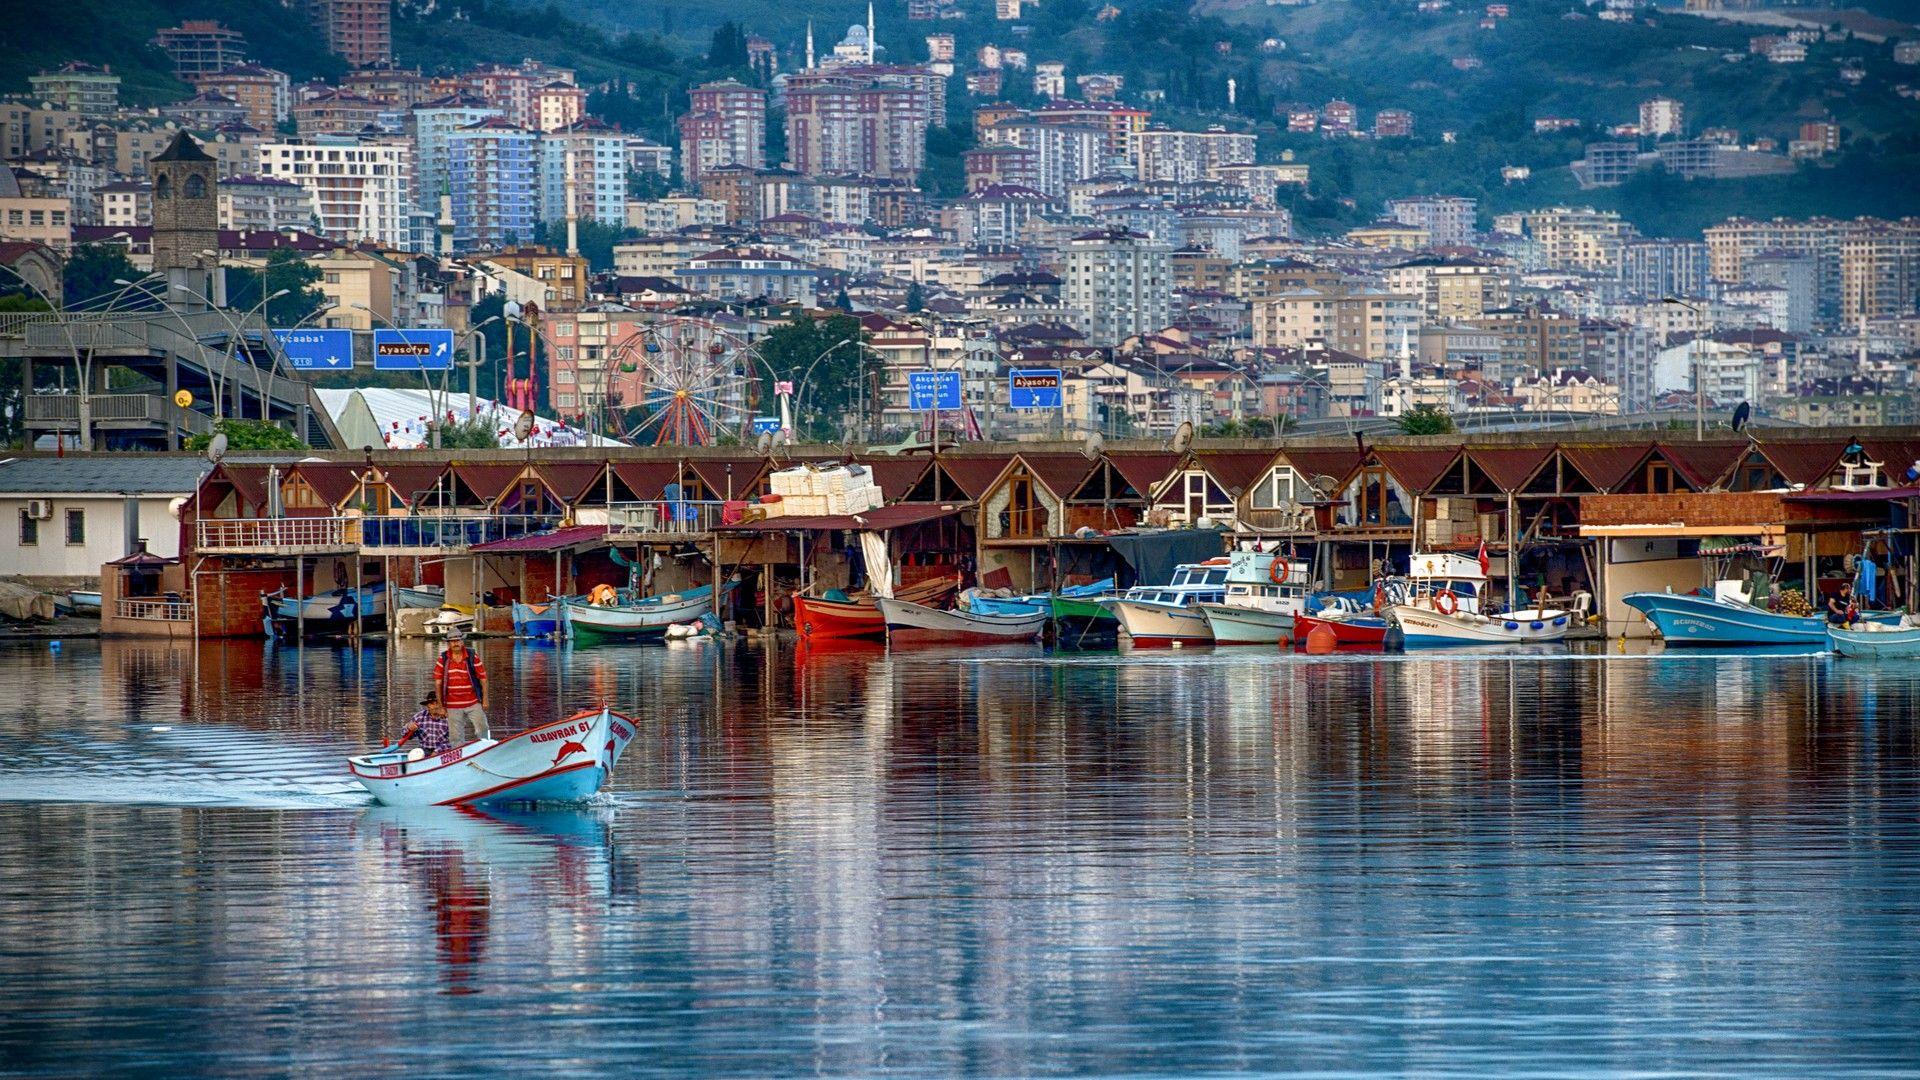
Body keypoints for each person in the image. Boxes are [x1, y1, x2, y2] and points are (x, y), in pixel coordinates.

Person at [433, 631, 490, 744]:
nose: (456, 643)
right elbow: (438, 683)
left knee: (483, 728)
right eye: (453, 641)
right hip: (452, 704)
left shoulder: (472, 656)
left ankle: (486, 748)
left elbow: (483, 679)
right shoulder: (443, 658)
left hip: (473, 701)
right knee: (455, 737)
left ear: (462, 642)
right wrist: (441, 706)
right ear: (449, 644)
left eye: (458, 640)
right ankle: (459, 756)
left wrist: (485, 699)